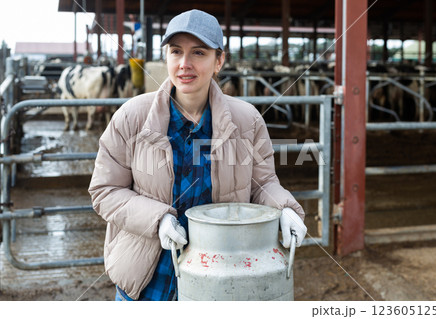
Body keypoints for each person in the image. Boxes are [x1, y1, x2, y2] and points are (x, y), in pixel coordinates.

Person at [88, 9, 307, 301]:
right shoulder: (132, 117)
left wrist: (285, 208)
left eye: (199, 53)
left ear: (219, 61)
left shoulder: (246, 120)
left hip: (222, 278)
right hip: (148, 282)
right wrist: (158, 220)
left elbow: (262, 184)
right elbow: (105, 190)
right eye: (176, 51)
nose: (184, 64)